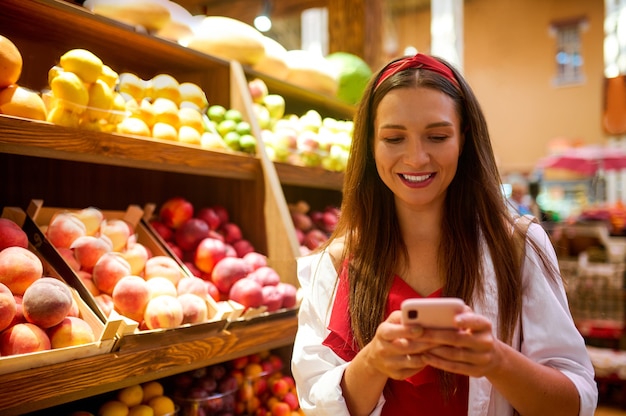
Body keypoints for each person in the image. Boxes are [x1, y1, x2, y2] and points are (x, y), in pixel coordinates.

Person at [291, 53, 597, 416]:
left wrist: (496, 360)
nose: (417, 158)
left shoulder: (516, 247)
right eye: (393, 138)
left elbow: (574, 403)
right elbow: (317, 404)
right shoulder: (337, 262)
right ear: (371, 145)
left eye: (437, 136)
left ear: (464, 139)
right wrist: (372, 362)